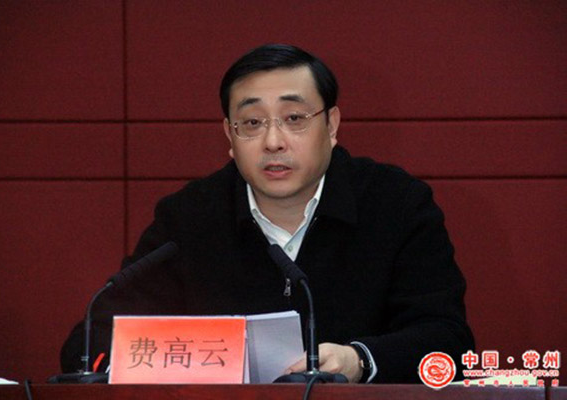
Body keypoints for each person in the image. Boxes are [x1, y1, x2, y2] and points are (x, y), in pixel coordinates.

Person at [61, 44, 474, 383]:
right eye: (252, 122)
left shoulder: (396, 204)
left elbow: (448, 342)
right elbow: (91, 342)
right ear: (229, 135)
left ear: (331, 125)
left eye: (294, 118)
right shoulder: (189, 218)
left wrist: (359, 360)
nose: (273, 141)